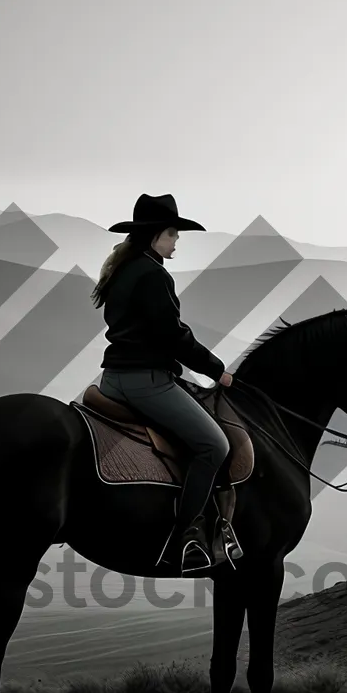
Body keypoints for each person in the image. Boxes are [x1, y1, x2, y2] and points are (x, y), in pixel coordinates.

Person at [90, 193, 238, 575]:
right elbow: (174, 336)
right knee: (214, 445)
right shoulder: (154, 275)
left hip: (112, 380)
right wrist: (216, 369)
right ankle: (184, 537)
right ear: (156, 236)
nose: (176, 241)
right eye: (172, 234)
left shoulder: (123, 269)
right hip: (146, 383)